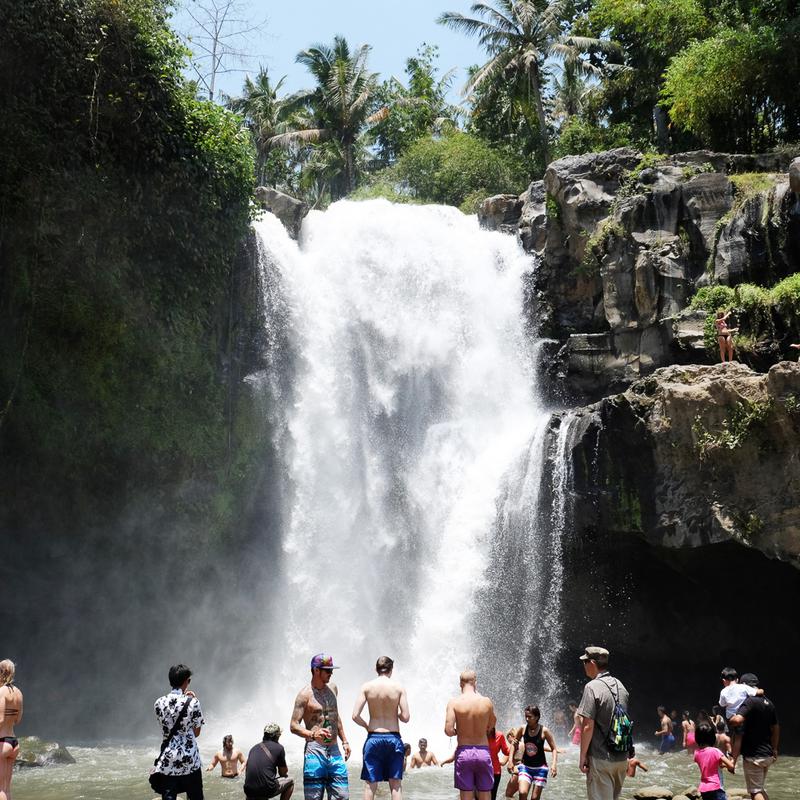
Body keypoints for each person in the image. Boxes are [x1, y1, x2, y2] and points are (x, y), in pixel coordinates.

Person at [290, 653, 351, 800]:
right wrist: (312, 735)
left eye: (332, 670)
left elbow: (335, 715)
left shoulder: (333, 688)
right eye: (328, 670)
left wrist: (345, 741)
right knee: (314, 797)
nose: (331, 673)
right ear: (316, 670)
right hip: (314, 751)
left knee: (342, 796)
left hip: (335, 749)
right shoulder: (304, 696)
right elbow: (293, 725)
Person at [352, 655, 410, 800]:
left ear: (376, 669)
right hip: (393, 738)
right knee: (395, 784)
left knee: (370, 784)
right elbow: (406, 717)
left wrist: (367, 726)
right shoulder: (398, 688)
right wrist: (395, 714)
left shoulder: (366, 687)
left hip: (373, 737)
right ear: (391, 669)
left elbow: (355, 715)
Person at [577, 646, 630, 800]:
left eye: (585, 662)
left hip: (601, 758)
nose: (584, 665)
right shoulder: (621, 686)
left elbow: (587, 726)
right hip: (621, 757)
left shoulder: (592, 687)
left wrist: (582, 757)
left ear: (592, 663)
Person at [153, 663, 205, 800]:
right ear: (185, 681)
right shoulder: (193, 703)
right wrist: (192, 699)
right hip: (190, 761)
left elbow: (165, 729)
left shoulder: (158, 703)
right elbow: (197, 732)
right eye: (189, 680)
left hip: (168, 759)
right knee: (195, 797)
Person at [444, 669, 496, 800]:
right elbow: (491, 725)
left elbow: (448, 730)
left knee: (466, 796)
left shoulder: (454, 702)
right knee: (485, 794)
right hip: (483, 752)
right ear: (475, 683)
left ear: (460, 684)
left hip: (464, 752)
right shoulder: (486, 702)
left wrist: (459, 731)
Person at [729, 674, 779, 800]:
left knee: (755, 792)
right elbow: (776, 728)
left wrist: (731, 718)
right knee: (759, 789)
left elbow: (737, 720)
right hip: (767, 754)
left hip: (754, 756)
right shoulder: (769, 703)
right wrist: (774, 749)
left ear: (744, 686)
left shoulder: (750, 701)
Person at [506, 706, 557, 800]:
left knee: (534, 798)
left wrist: (554, 765)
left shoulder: (544, 731)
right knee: (522, 792)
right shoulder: (523, 729)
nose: (527, 719)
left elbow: (554, 748)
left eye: (530, 717)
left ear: (537, 717)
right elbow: (514, 744)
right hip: (525, 767)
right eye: (526, 716)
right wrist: (510, 761)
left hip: (540, 768)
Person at [244, 723, 294, 800]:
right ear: (277, 736)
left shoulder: (253, 748)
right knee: (291, 781)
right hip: (266, 789)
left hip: (249, 790)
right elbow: (283, 773)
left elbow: (248, 771)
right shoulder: (279, 748)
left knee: (258, 787)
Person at [718, 667, 757, 756]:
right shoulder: (743, 687)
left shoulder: (723, 691)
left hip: (730, 719)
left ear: (724, 680)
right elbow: (755, 692)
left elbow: (722, 704)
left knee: (733, 735)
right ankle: (734, 759)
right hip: (741, 716)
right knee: (739, 738)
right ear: (737, 679)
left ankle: (730, 754)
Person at [693, 721, 734, 800]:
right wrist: (732, 759)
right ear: (712, 737)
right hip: (716, 787)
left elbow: (708, 764)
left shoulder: (696, 753)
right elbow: (731, 766)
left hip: (704, 788)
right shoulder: (715, 751)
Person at [0, 660, 23, 800]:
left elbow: (0, 720)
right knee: (7, 789)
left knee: (0, 790)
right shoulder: (18, 693)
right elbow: (17, 720)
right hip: (14, 742)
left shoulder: (1, 692)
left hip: (2, 743)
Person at [487, 727, 509, 800]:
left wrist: (515, 747)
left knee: (492, 796)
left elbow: (506, 751)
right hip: (480, 770)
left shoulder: (499, 735)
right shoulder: (479, 735)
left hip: (495, 771)